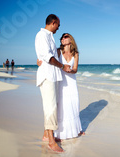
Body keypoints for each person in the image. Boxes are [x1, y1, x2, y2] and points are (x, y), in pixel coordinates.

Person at [38, 33, 85, 141]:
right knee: (62, 105)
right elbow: (47, 57)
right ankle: (60, 133)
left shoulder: (76, 53)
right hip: (61, 81)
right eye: (62, 37)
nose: (63, 38)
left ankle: (76, 129)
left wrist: (70, 70)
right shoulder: (58, 51)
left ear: (70, 39)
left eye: (65, 36)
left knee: (73, 104)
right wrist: (39, 61)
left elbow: (75, 69)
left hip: (72, 82)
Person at [35, 14, 71, 153]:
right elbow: (48, 57)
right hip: (47, 76)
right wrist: (62, 66)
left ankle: (46, 135)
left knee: (52, 106)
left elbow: (51, 54)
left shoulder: (49, 36)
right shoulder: (41, 35)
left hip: (53, 76)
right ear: (54, 23)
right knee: (50, 108)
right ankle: (51, 141)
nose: (58, 28)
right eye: (58, 25)